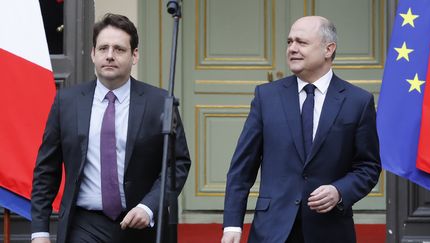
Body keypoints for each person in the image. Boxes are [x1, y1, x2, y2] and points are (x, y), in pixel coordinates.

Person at [31, 13, 191, 243]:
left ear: (134, 55)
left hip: (141, 223)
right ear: (93, 53)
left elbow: (178, 164)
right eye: (103, 48)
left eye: (119, 49)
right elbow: (46, 170)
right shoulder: (67, 102)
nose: (109, 56)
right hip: (84, 224)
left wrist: (149, 207)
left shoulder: (159, 103)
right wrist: (40, 231)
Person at [221, 16, 381, 243]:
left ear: (329, 49)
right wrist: (232, 224)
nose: (292, 49)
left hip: (330, 229)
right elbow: (242, 168)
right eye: (289, 42)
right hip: (272, 230)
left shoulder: (358, 101)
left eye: (301, 42)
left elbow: (368, 167)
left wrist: (339, 191)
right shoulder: (266, 97)